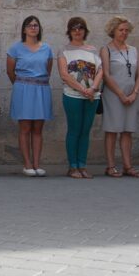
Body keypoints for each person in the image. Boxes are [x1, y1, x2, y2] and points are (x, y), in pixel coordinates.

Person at [7, 15, 53, 177]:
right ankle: (27, 164)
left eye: (36, 25)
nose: (33, 28)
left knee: (38, 129)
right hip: (23, 89)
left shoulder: (47, 48)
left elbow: (48, 70)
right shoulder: (15, 48)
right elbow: (10, 71)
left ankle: (36, 164)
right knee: (25, 127)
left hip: (41, 89)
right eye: (30, 25)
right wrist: (22, 85)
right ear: (24, 29)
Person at [57, 17, 103, 179]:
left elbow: (100, 71)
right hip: (73, 95)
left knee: (85, 131)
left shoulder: (93, 50)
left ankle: (82, 165)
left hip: (92, 96)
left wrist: (93, 88)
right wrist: (83, 89)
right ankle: (73, 166)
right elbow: (64, 74)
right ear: (69, 31)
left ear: (85, 30)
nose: (77, 31)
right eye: (74, 28)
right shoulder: (64, 50)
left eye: (80, 28)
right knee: (74, 130)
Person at [100, 16, 139, 177]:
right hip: (113, 95)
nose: (124, 33)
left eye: (126, 30)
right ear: (113, 31)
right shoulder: (106, 49)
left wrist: (135, 93)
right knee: (112, 130)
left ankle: (127, 165)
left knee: (127, 130)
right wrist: (120, 94)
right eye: (121, 30)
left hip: (131, 95)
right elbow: (106, 74)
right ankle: (111, 166)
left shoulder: (133, 50)